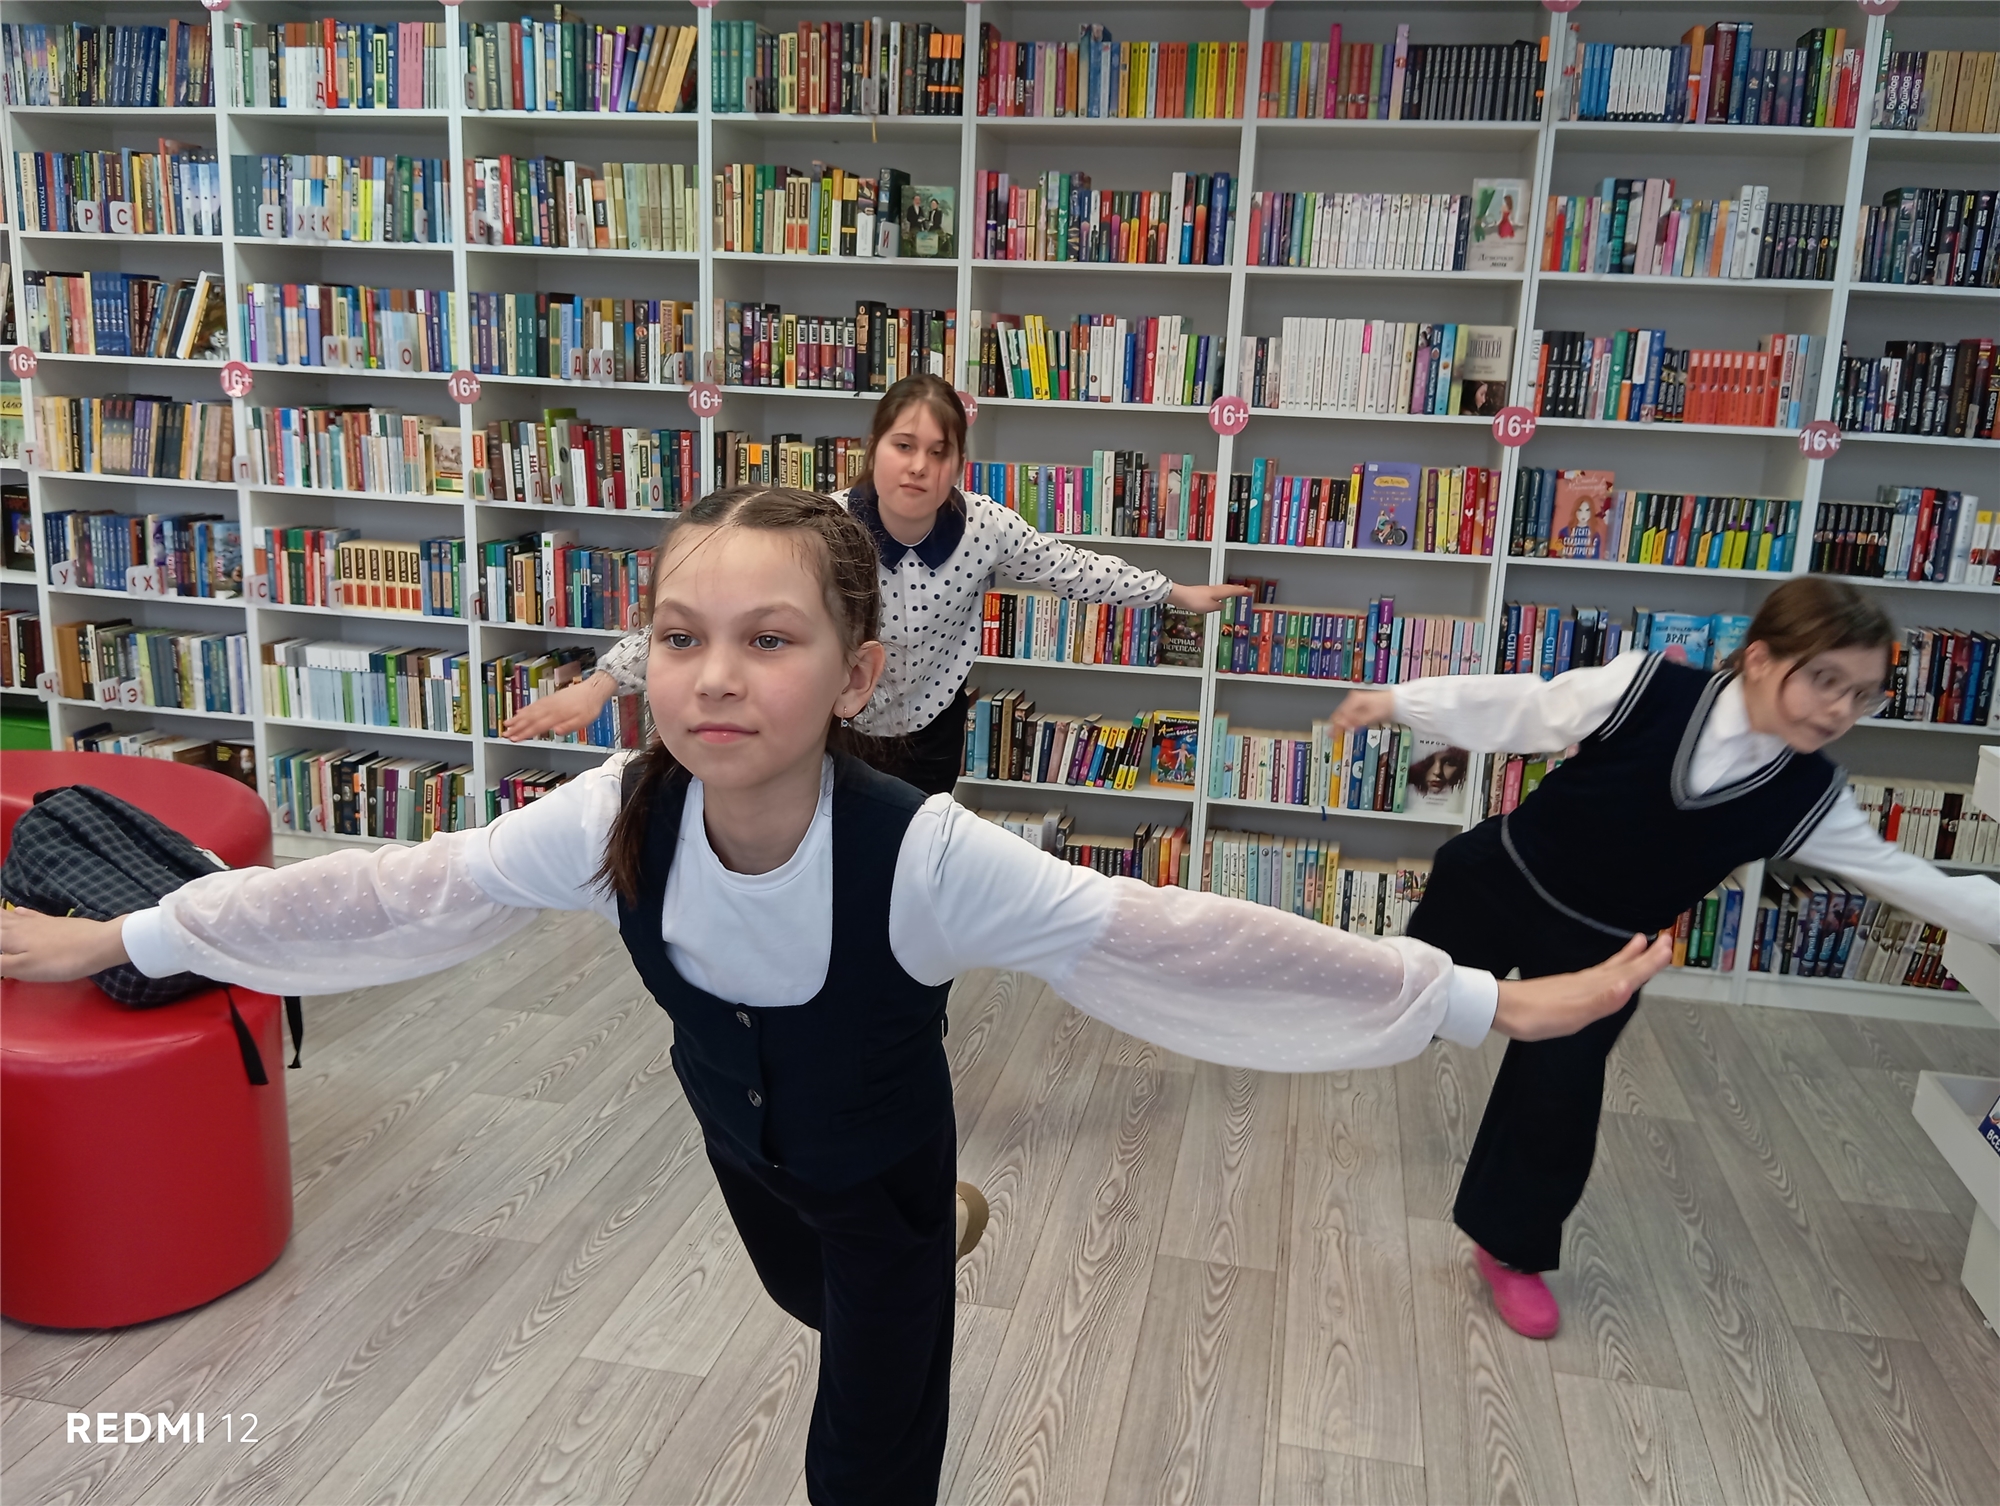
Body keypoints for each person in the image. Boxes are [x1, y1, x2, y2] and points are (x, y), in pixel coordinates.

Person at [4, 487, 1672, 1505]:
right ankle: (902, 1251)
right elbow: (396, 889)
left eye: (770, 640)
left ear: (858, 674)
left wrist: (1474, 1002)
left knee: (865, 1444)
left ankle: (925, 1252)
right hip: (743, 1155)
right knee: (801, 1285)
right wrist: (137, 935)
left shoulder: (926, 856)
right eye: (679, 637)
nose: (716, 676)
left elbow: (1178, 937)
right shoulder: (613, 815)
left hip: (877, 1172)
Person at [1332, 574, 2000, 1341]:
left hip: (1601, 951)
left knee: (1557, 1099)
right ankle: (1324, 1019)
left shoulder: (1810, 795)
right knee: (1397, 1000)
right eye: (1825, 680)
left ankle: (1509, 1248)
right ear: (1760, 658)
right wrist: (1400, 701)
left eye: (1862, 695)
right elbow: (1525, 707)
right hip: (1501, 878)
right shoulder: (1646, 687)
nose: (1840, 709)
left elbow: (1910, 879)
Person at [503, 374, 1247, 794]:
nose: (918, 466)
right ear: (874, 450)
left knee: (912, 870)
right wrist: (601, 685)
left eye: (938, 451)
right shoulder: (822, 531)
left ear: (958, 464)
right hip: (836, 728)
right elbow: (712, 610)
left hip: (931, 733)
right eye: (903, 445)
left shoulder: (986, 528)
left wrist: (1174, 594)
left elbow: (1072, 568)